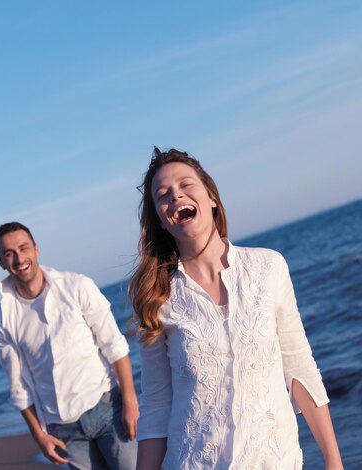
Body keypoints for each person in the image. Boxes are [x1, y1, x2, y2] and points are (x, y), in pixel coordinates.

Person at [130, 148, 344, 469]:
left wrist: (333, 460)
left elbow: (299, 369)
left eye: (186, 185)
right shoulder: (156, 296)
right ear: (161, 220)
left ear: (212, 198)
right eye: (163, 195)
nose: (176, 196)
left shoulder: (268, 266)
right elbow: (157, 406)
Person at [0, 222, 138, 470]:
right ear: (1, 263)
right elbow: (18, 387)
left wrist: (130, 400)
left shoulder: (76, 286)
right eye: (9, 254)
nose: (18, 258)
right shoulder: (3, 318)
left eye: (23, 248)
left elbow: (114, 345)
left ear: (36, 249)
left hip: (106, 408)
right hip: (63, 429)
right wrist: (39, 435)